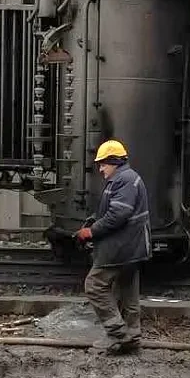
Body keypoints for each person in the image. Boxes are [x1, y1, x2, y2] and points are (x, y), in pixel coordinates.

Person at [75, 139, 151, 355]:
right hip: (132, 247)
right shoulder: (127, 178)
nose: (100, 169)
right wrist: (94, 220)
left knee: (94, 285)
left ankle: (117, 334)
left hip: (122, 247)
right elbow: (115, 210)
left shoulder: (124, 180)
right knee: (127, 292)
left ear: (115, 161)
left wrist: (91, 231)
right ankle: (132, 338)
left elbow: (118, 214)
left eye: (103, 164)